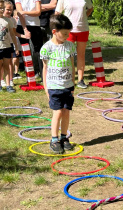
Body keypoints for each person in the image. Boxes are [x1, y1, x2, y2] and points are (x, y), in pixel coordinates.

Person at [40, 13, 76, 154]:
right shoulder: (47, 48)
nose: (68, 36)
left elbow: (72, 66)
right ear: (54, 32)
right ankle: (54, 139)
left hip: (68, 86)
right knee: (58, 112)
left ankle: (63, 137)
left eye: (69, 33)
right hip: (54, 86)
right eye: (65, 34)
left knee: (66, 112)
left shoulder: (70, 46)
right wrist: (46, 88)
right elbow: (45, 69)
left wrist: (73, 84)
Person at [55, 0, 93, 89]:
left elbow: (90, 8)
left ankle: (80, 80)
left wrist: (84, 18)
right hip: (68, 31)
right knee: (67, 56)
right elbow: (57, 13)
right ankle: (68, 79)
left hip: (83, 29)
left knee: (81, 55)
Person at [15, 0, 43, 80]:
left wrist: (24, 12)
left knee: (39, 51)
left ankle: (42, 74)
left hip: (35, 25)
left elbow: (38, 12)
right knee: (25, 51)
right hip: (22, 26)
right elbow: (20, 14)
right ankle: (29, 76)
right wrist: (25, 30)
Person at [0, 0, 19, 92]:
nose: (1, 10)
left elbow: (12, 34)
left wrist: (16, 46)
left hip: (6, 46)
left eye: (2, 8)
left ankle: (8, 85)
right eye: (0, 8)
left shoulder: (8, 20)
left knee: (7, 66)